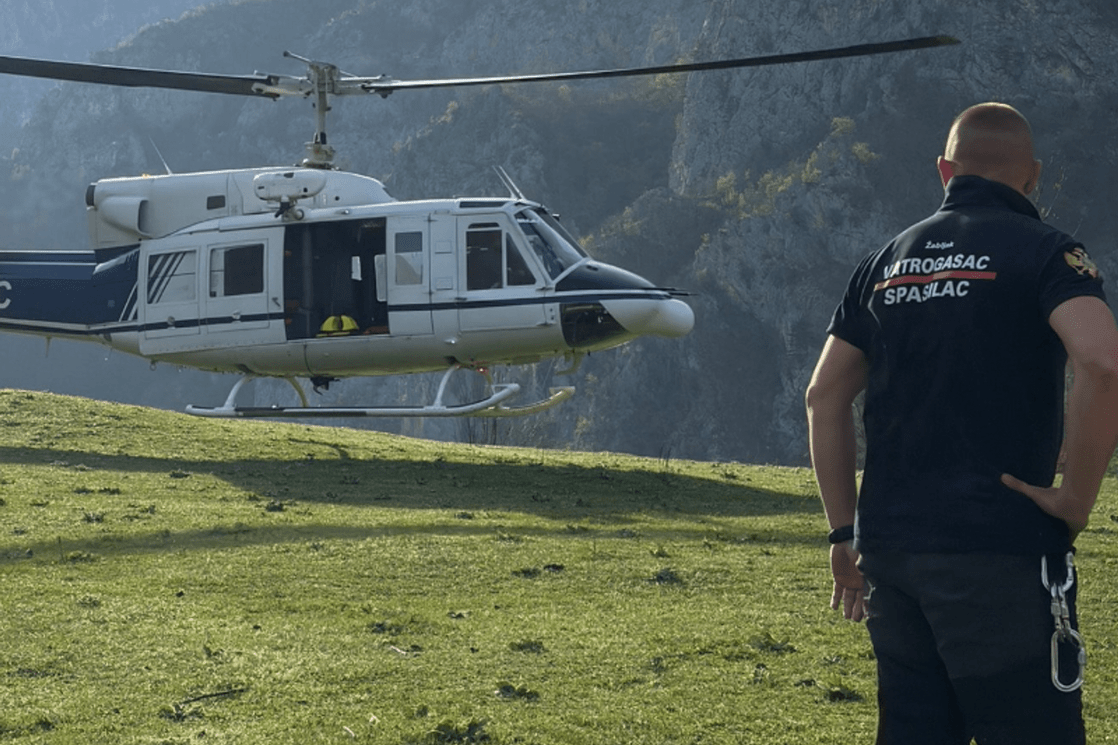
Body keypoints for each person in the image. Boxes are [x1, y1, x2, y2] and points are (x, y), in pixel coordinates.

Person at [804, 102, 1118, 744]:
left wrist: (843, 530)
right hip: (999, 547)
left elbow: (823, 396)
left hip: (892, 552)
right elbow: (1102, 363)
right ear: (1032, 176)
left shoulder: (883, 262)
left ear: (945, 171)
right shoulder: (1049, 253)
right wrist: (1075, 498)